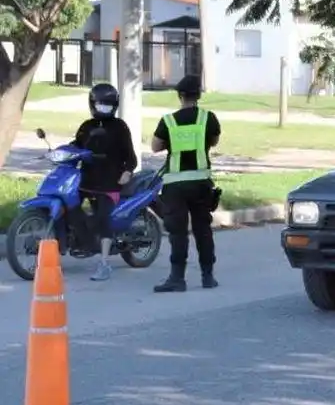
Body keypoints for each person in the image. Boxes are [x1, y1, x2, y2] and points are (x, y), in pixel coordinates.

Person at [151, 74, 222, 292]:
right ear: (198, 95)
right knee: (203, 230)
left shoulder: (168, 121)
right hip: (201, 184)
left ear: (180, 96)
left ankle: (177, 278)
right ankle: (208, 276)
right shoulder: (208, 118)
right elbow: (214, 141)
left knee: (178, 233)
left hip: (175, 186)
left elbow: (155, 146)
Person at [72, 83, 138, 282]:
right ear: (92, 104)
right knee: (71, 208)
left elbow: (131, 157)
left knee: (103, 217)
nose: (104, 108)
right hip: (86, 180)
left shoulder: (120, 127)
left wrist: (127, 172)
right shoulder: (87, 126)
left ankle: (104, 263)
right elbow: (75, 146)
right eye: (100, 104)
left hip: (110, 183)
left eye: (107, 104)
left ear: (115, 105)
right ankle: (85, 242)